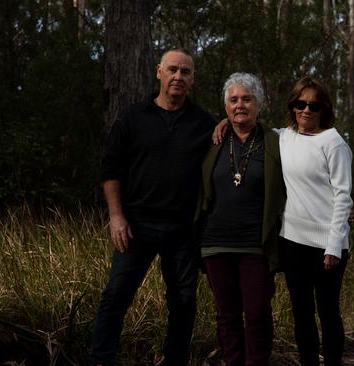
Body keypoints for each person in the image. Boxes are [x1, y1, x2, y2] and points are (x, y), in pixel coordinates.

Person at [91, 48, 216, 366]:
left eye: (185, 72)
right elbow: (110, 168)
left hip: (182, 231)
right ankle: (100, 359)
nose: (178, 76)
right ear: (159, 72)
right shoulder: (133, 116)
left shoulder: (204, 123)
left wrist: (228, 121)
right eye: (173, 69)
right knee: (116, 296)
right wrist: (116, 216)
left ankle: (174, 360)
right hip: (135, 226)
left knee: (184, 303)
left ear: (192, 79)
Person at [196, 72, 285, 366]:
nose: (240, 105)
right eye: (233, 100)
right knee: (227, 315)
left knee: (258, 312)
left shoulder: (277, 142)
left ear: (259, 103)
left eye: (247, 99)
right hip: (215, 243)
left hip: (255, 245)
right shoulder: (214, 140)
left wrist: (340, 202)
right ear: (225, 107)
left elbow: (307, 167)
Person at [278, 76, 352, 366]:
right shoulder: (283, 137)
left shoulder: (333, 143)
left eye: (314, 106)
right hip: (292, 243)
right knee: (301, 312)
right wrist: (223, 123)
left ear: (324, 110)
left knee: (328, 311)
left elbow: (344, 195)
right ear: (293, 106)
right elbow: (249, 129)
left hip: (327, 248)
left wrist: (334, 245)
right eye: (301, 104)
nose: (306, 110)